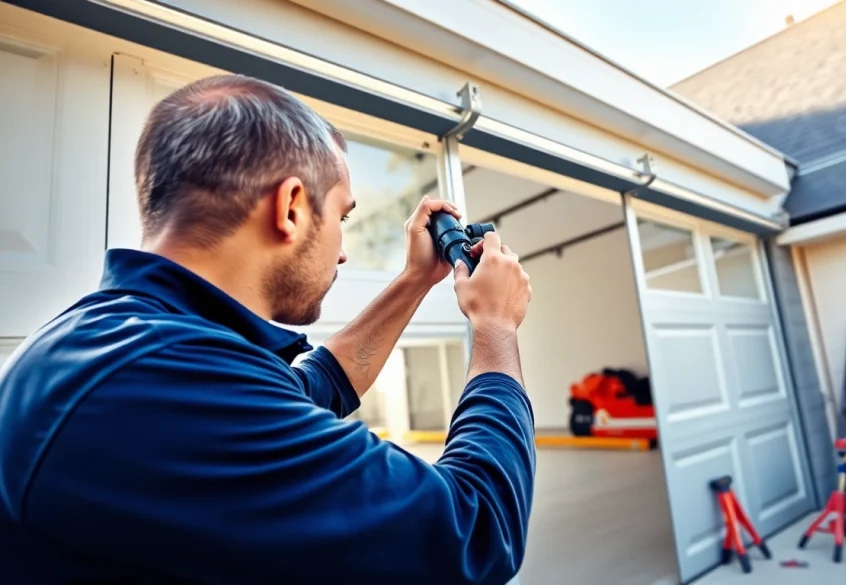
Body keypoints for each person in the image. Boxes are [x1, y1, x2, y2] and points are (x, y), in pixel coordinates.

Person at [0, 74, 536, 585]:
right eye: (341, 218)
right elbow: (473, 531)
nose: (344, 252)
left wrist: (417, 279)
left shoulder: (133, 345)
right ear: (291, 207)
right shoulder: (160, 384)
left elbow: (314, 387)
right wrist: (495, 327)